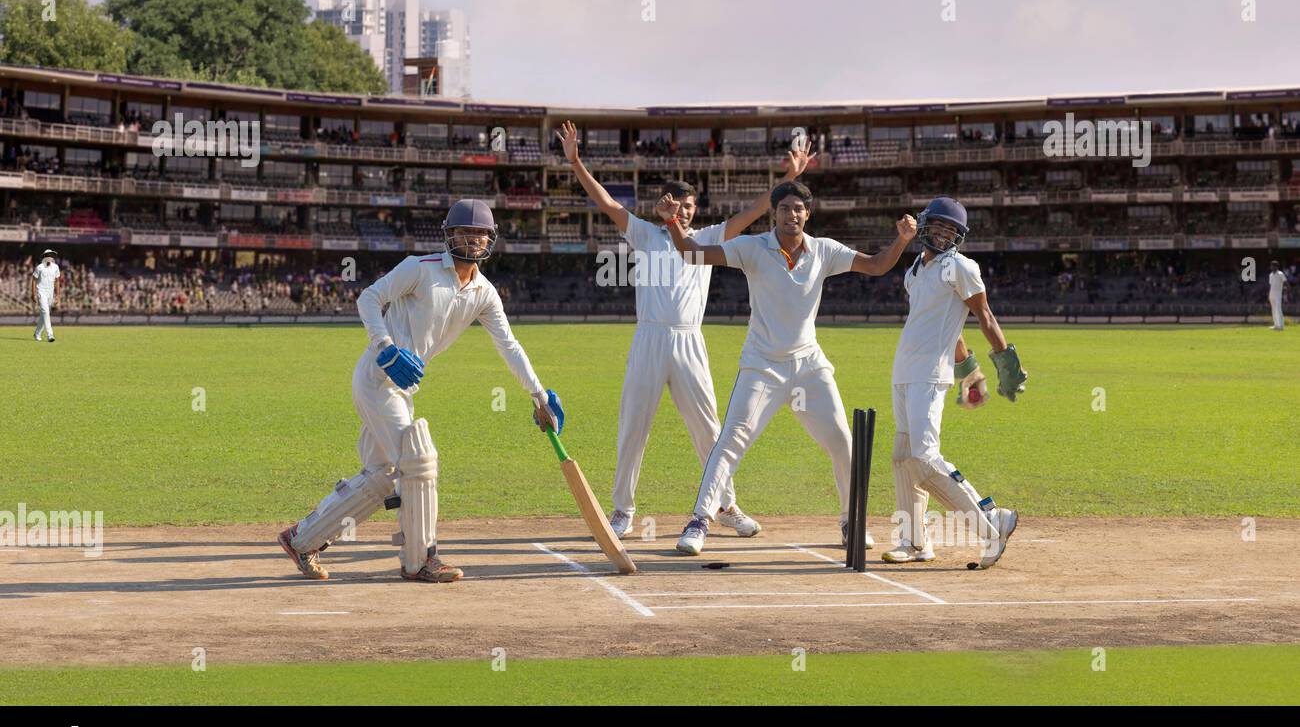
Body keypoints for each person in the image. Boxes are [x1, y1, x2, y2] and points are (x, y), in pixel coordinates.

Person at [279, 199, 558, 583]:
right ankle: (422, 559)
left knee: (381, 476)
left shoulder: (484, 293)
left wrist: (539, 395)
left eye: (480, 233)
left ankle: (301, 539)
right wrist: (386, 348)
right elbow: (369, 298)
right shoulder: (420, 268)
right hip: (378, 377)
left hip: (401, 389)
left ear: (490, 239)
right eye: (465, 232)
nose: (473, 239)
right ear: (449, 235)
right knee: (419, 462)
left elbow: (509, 345)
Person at [557, 120, 811, 539]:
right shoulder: (644, 232)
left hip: (690, 339)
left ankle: (725, 505)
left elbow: (752, 212)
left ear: (696, 208)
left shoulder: (709, 237)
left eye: (690, 205)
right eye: (678, 204)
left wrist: (789, 179)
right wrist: (576, 162)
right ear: (664, 205)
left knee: (710, 429)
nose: (684, 210)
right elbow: (604, 203)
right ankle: (622, 511)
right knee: (633, 423)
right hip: (650, 338)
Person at [658, 179, 915, 556]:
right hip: (762, 367)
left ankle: (851, 521)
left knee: (843, 442)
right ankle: (699, 521)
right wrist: (672, 223)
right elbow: (693, 254)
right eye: (784, 208)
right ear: (774, 214)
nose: (792, 214)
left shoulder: (824, 250)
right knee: (729, 442)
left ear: (807, 214)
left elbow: (876, 266)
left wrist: (903, 240)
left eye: (798, 209)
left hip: (808, 366)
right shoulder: (752, 247)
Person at [882, 197, 1026, 569]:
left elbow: (984, 316)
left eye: (952, 231)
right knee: (903, 459)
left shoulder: (961, 267)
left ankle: (992, 522)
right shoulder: (914, 270)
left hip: (930, 375)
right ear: (925, 225)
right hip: (904, 372)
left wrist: (1005, 363)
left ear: (959, 237)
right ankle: (914, 542)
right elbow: (952, 330)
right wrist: (970, 373)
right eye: (939, 227)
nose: (943, 235)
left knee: (925, 458)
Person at [31, 249, 61, 342]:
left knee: (44, 315)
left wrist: (58, 295)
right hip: (41, 291)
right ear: (44, 257)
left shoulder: (55, 267)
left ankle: (37, 334)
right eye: (48, 255)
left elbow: (57, 281)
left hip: (50, 293)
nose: (49, 257)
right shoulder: (39, 267)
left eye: (51, 255)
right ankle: (50, 334)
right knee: (45, 312)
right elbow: (34, 280)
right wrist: (33, 293)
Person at [1268, 260, 1288, 330]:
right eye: (1271, 265)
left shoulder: (1280, 274)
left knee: (1278, 309)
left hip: (1278, 294)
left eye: (1274, 266)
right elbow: (1271, 285)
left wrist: (1285, 292)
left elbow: (1285, 282)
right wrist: (1269, 294)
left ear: (1276, 266)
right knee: (1273, 309)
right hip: (1272, 294)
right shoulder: (1270, 275)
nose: (1272, 267)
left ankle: (1281, 325)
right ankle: (1276, 325)